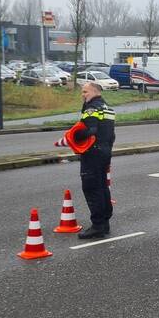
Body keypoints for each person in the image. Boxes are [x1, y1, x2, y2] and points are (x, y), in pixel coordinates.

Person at [58, 82, 116, 239]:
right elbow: (110, 134)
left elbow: (90, 130)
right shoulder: (107, 107)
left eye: (85, 91)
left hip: (92, 152)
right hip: (105, 151)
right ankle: (104, 223)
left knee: (91, 187)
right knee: (103, 186)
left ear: (95, 91)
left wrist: (73, 136)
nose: (83, 95)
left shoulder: (91, 108)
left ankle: (97, 226)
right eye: (82, 92)